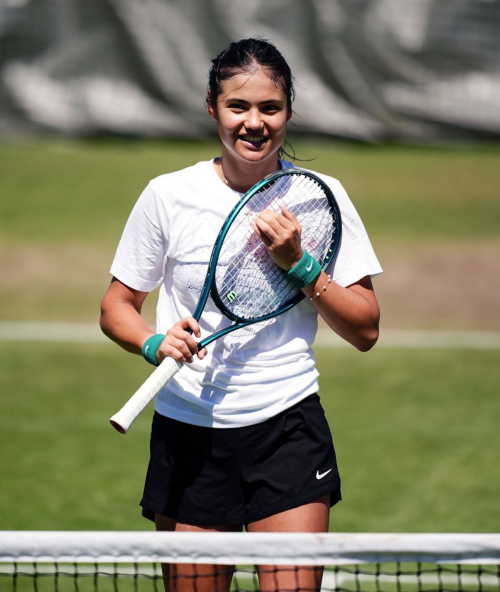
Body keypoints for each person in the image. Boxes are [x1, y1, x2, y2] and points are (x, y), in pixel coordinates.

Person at [100, 38, 382, 592]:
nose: (254, 123)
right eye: (238, 107)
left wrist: (300, 265)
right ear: (213, 108)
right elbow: (117, 306)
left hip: (288, 429)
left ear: (288, 113)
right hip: (190, 435)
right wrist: (153, 343)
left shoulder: (322, 197)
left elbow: (366, 327)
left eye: (270, 108)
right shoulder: (167, 195)